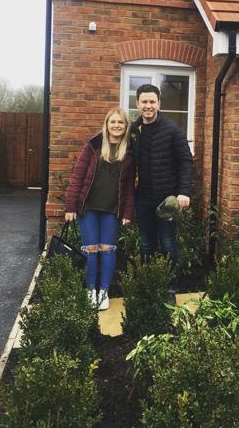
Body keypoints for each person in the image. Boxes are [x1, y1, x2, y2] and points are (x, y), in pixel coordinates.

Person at [64, 107, 134, 310]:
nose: (116, 126)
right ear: (106, 124)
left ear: (126, 126)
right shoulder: (93, 146)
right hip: (89, 208)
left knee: (108, 251)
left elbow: (129, 186)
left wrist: (128, 212)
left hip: (112, 210)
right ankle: (89, 291)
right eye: (113, 122)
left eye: (120, 122)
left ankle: (103, 291)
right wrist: (70, 206)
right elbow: (78, 176)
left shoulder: (129, 151)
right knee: (91, 251)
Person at [130, 84, 192, 300]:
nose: (148, 106)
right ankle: (148, 284)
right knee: (146, 244)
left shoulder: (172, 130)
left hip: (167, 200)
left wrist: (183, 192)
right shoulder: (133, 130)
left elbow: (186, 162)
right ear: (137, 104)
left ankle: (170, 288)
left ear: (159, 103)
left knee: (167, 244)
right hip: (142, 198)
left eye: (152, 102)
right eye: (144, 102)